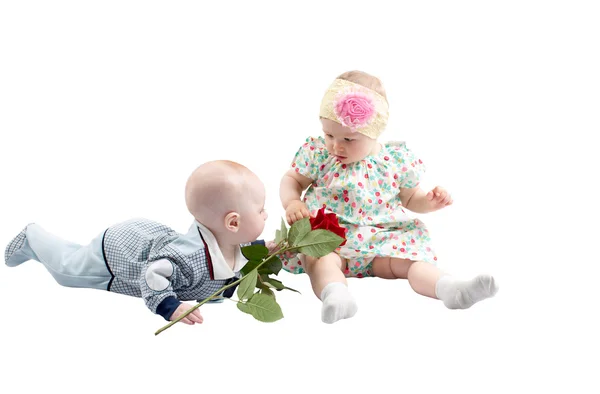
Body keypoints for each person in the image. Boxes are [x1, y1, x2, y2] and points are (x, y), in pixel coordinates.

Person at [279, 70, 498, 324]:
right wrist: (293, 201)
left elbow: (410, 198)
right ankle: (336, 294)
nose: (336, 146)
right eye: (329, 135)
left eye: (348, 139)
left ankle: (450, 289)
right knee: (319, 261)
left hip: (384, 242)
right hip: (332, 239)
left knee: (411, 263)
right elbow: (292, 179)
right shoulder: (319, 154)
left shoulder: (394, 160)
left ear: (375, 132)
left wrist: (429, 202)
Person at [5, 160, 269, 325]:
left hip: (146, 237)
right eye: (260, 210)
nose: (266, 215)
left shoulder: (228, 243)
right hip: (120, 252)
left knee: (77, 262)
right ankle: (32, 237)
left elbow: (241, 252)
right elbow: (153, 276)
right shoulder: (185, 260)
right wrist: (171, 307)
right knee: (69, 270)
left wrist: (268, 249)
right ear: (232, 223)